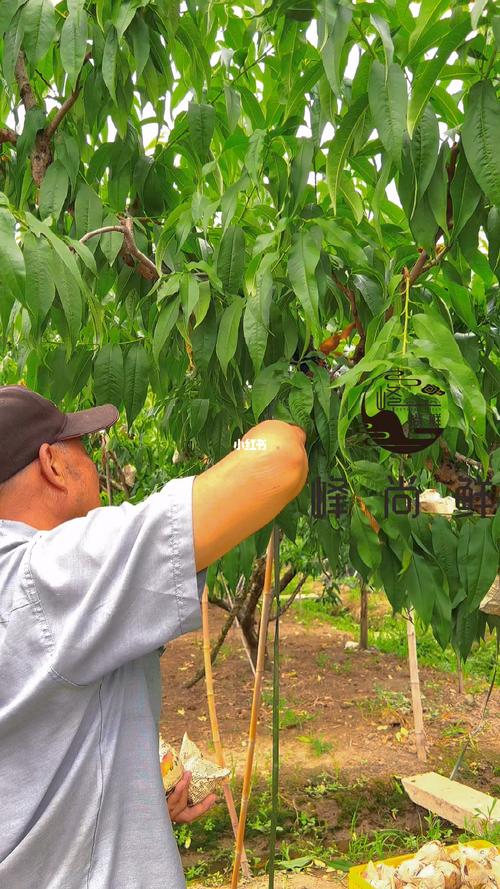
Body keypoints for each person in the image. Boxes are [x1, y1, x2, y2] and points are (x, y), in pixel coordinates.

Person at [0, 384, 309, 889]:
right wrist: (291, 423)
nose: (95, 461)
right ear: (53, 465)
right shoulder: (52, 575)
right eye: (81, 445)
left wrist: (130, 795)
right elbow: (276, 462)